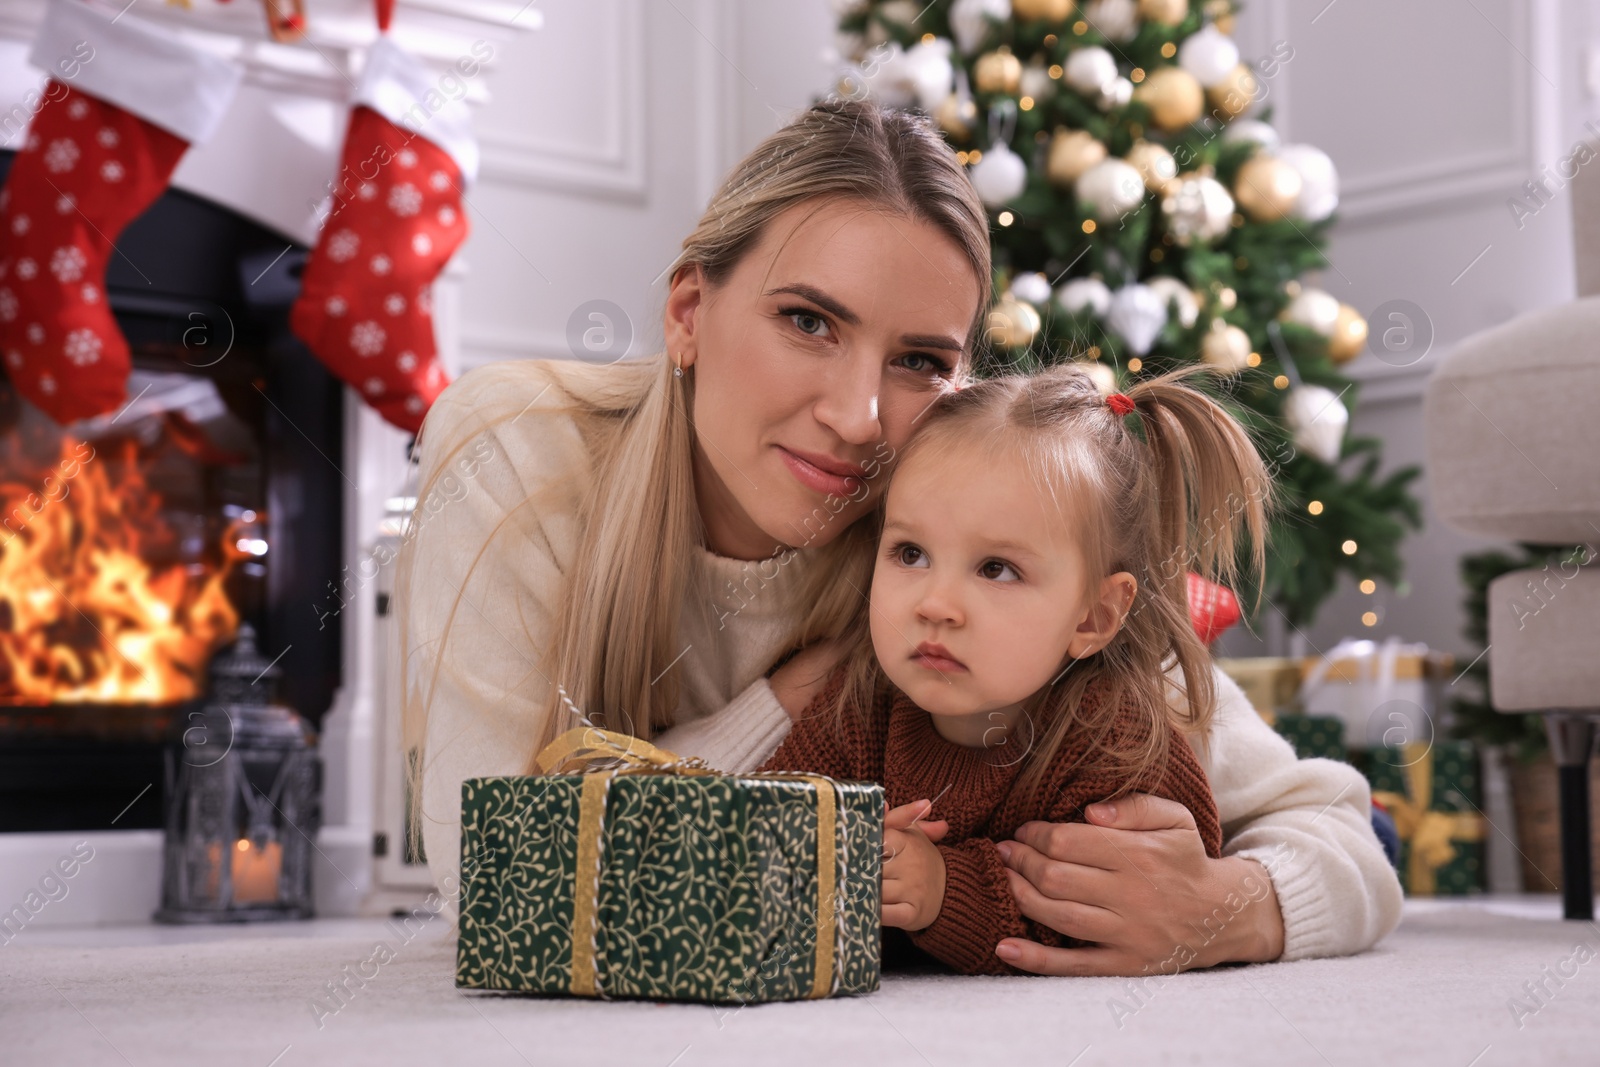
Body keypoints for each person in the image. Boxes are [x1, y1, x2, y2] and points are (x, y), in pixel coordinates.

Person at [394, 98, 1402, 976]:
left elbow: (1335, 831)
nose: (858, 415)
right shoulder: (518, 454)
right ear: (689, 310)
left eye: (919, 359)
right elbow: (492, 884)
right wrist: (801, 693)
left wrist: (1231, 909)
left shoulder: (950, 513)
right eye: (808, 321)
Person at [758, 365, 1244, 975]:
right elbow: (766, 835)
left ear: (1092, 617)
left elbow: (1117, 919)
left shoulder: (1112, 746)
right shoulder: (859, 702)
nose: (934, 604)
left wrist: (942, 890)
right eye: (911, 554)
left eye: (996, 569)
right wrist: (827, 845)